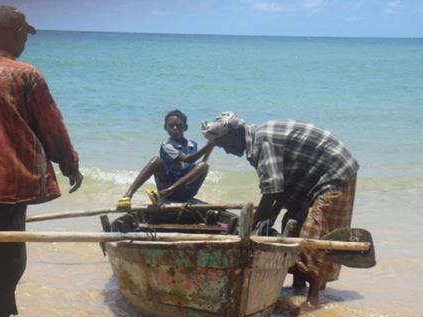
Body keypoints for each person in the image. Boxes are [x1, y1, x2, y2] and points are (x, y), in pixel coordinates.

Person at [0, 5, 83, 317]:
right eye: (24, 34)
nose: (26, 41)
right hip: (10, 180)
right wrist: (69, 162)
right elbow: (50, 125)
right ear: (17, 33)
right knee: (10, 256)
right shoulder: (26, 74)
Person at [202, 112, 359, 306]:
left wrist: (250, 225)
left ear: (235, 134)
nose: (226, 151)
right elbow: (276, 191)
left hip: (334, 170)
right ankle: (298, 286)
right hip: (309, 176)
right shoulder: (256, 142)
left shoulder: (262, 141)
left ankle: (313, 298)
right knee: (291, 221)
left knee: (313, 231)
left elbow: (272, 191)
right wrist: (265, 220)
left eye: (224, 144)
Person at [117, 110, 214, 208]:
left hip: (186, 191)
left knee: (203, 165)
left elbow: (200, 164)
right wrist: (210, 144)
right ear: (165, 127)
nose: (175, 128)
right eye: (171, 126)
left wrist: (211, 142)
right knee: (156, 160)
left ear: (185, 127)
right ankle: (127, 196)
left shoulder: (193, 145)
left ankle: (167, 192)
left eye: (179, 126)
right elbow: (188, 159)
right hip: (167, 188)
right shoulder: (167, 146)